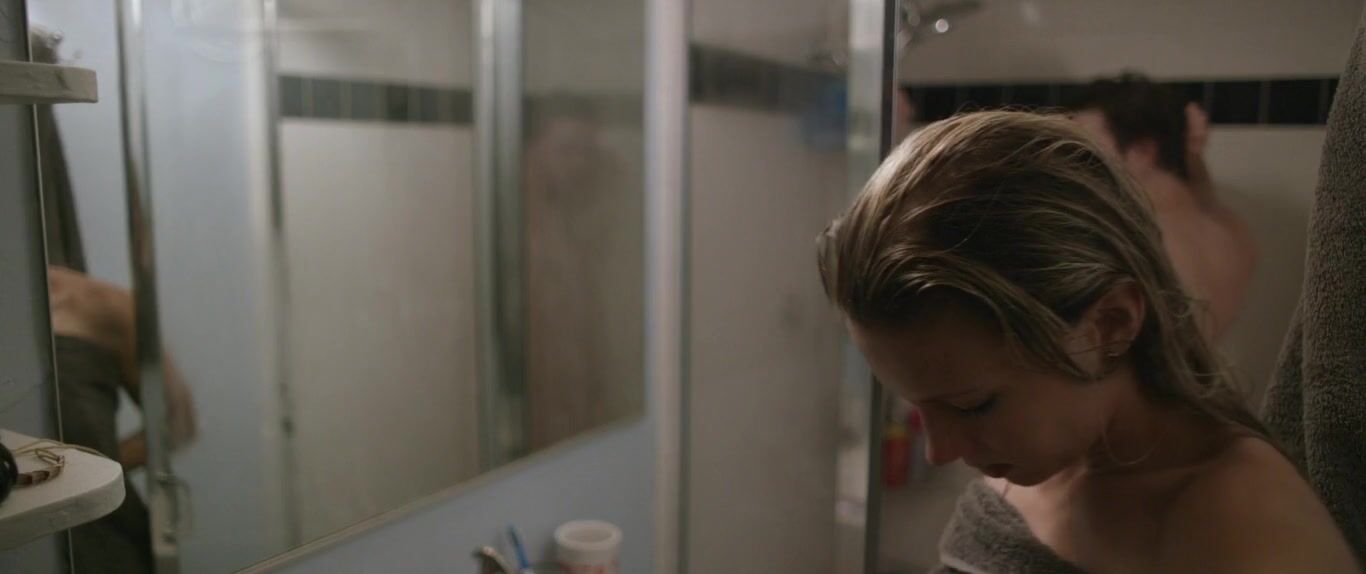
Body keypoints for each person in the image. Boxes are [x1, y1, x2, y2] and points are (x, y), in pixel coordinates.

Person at [818, 111, 1356, 571]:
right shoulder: (1047, 451)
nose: (940, 452)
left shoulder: (1246, 531)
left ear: (1111, 324)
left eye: (972, 405)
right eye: (920, 406)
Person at [1069, 73, 1256, 342]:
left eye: (1087, 150)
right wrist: (1189, 153)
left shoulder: (1130, 242)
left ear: (1143, 152)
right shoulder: (1232, 231)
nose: (1075, 164)